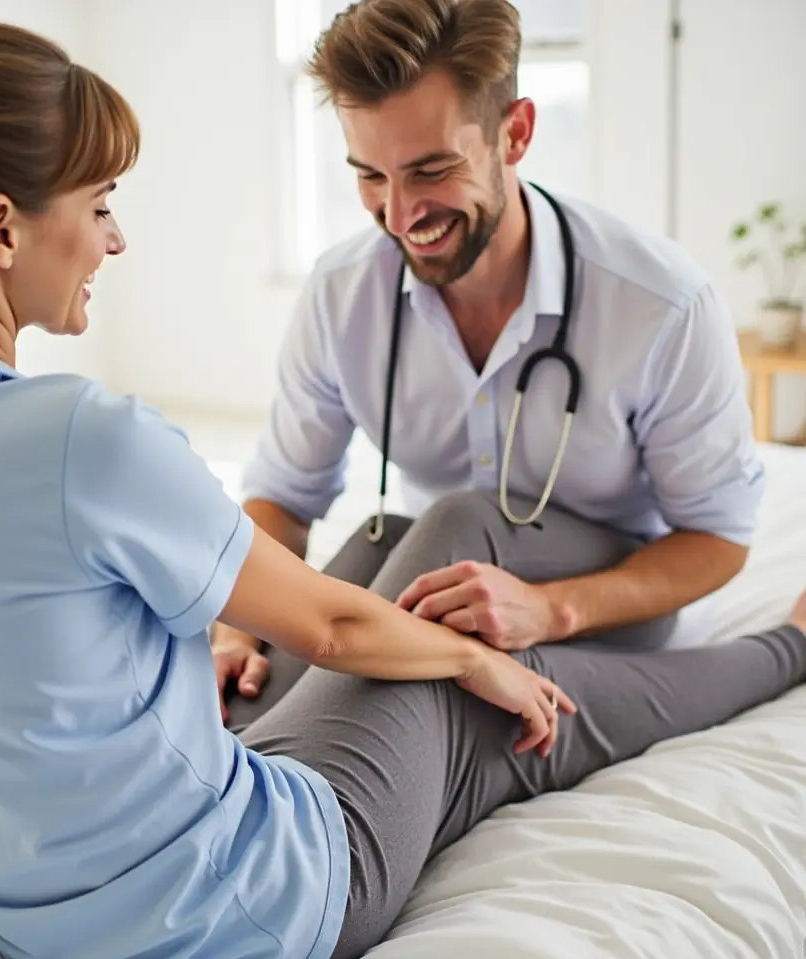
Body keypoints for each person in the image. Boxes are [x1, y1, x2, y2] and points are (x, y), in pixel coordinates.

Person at [0, 18, 804, 959]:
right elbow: (334, 625)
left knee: (379, 547)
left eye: (428, 171)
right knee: (446, 631)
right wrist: (468, 660)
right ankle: (787, 647)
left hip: (50, 942)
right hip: (259, 921)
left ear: (516, 134)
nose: (115, 236)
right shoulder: (79, 438)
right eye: (100, 203)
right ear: (0, 229)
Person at [214, 0, 766, 728]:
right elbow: (283, 498)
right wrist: (236, 630)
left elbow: (719, 541)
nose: (400, 214)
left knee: (448, 531)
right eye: (370, 176)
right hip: (437, 575)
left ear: (517, 133)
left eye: (431, 170)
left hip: (604, 602)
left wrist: (549, 609)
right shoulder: (343, 292)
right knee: (282, 659)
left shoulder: (660, 304)